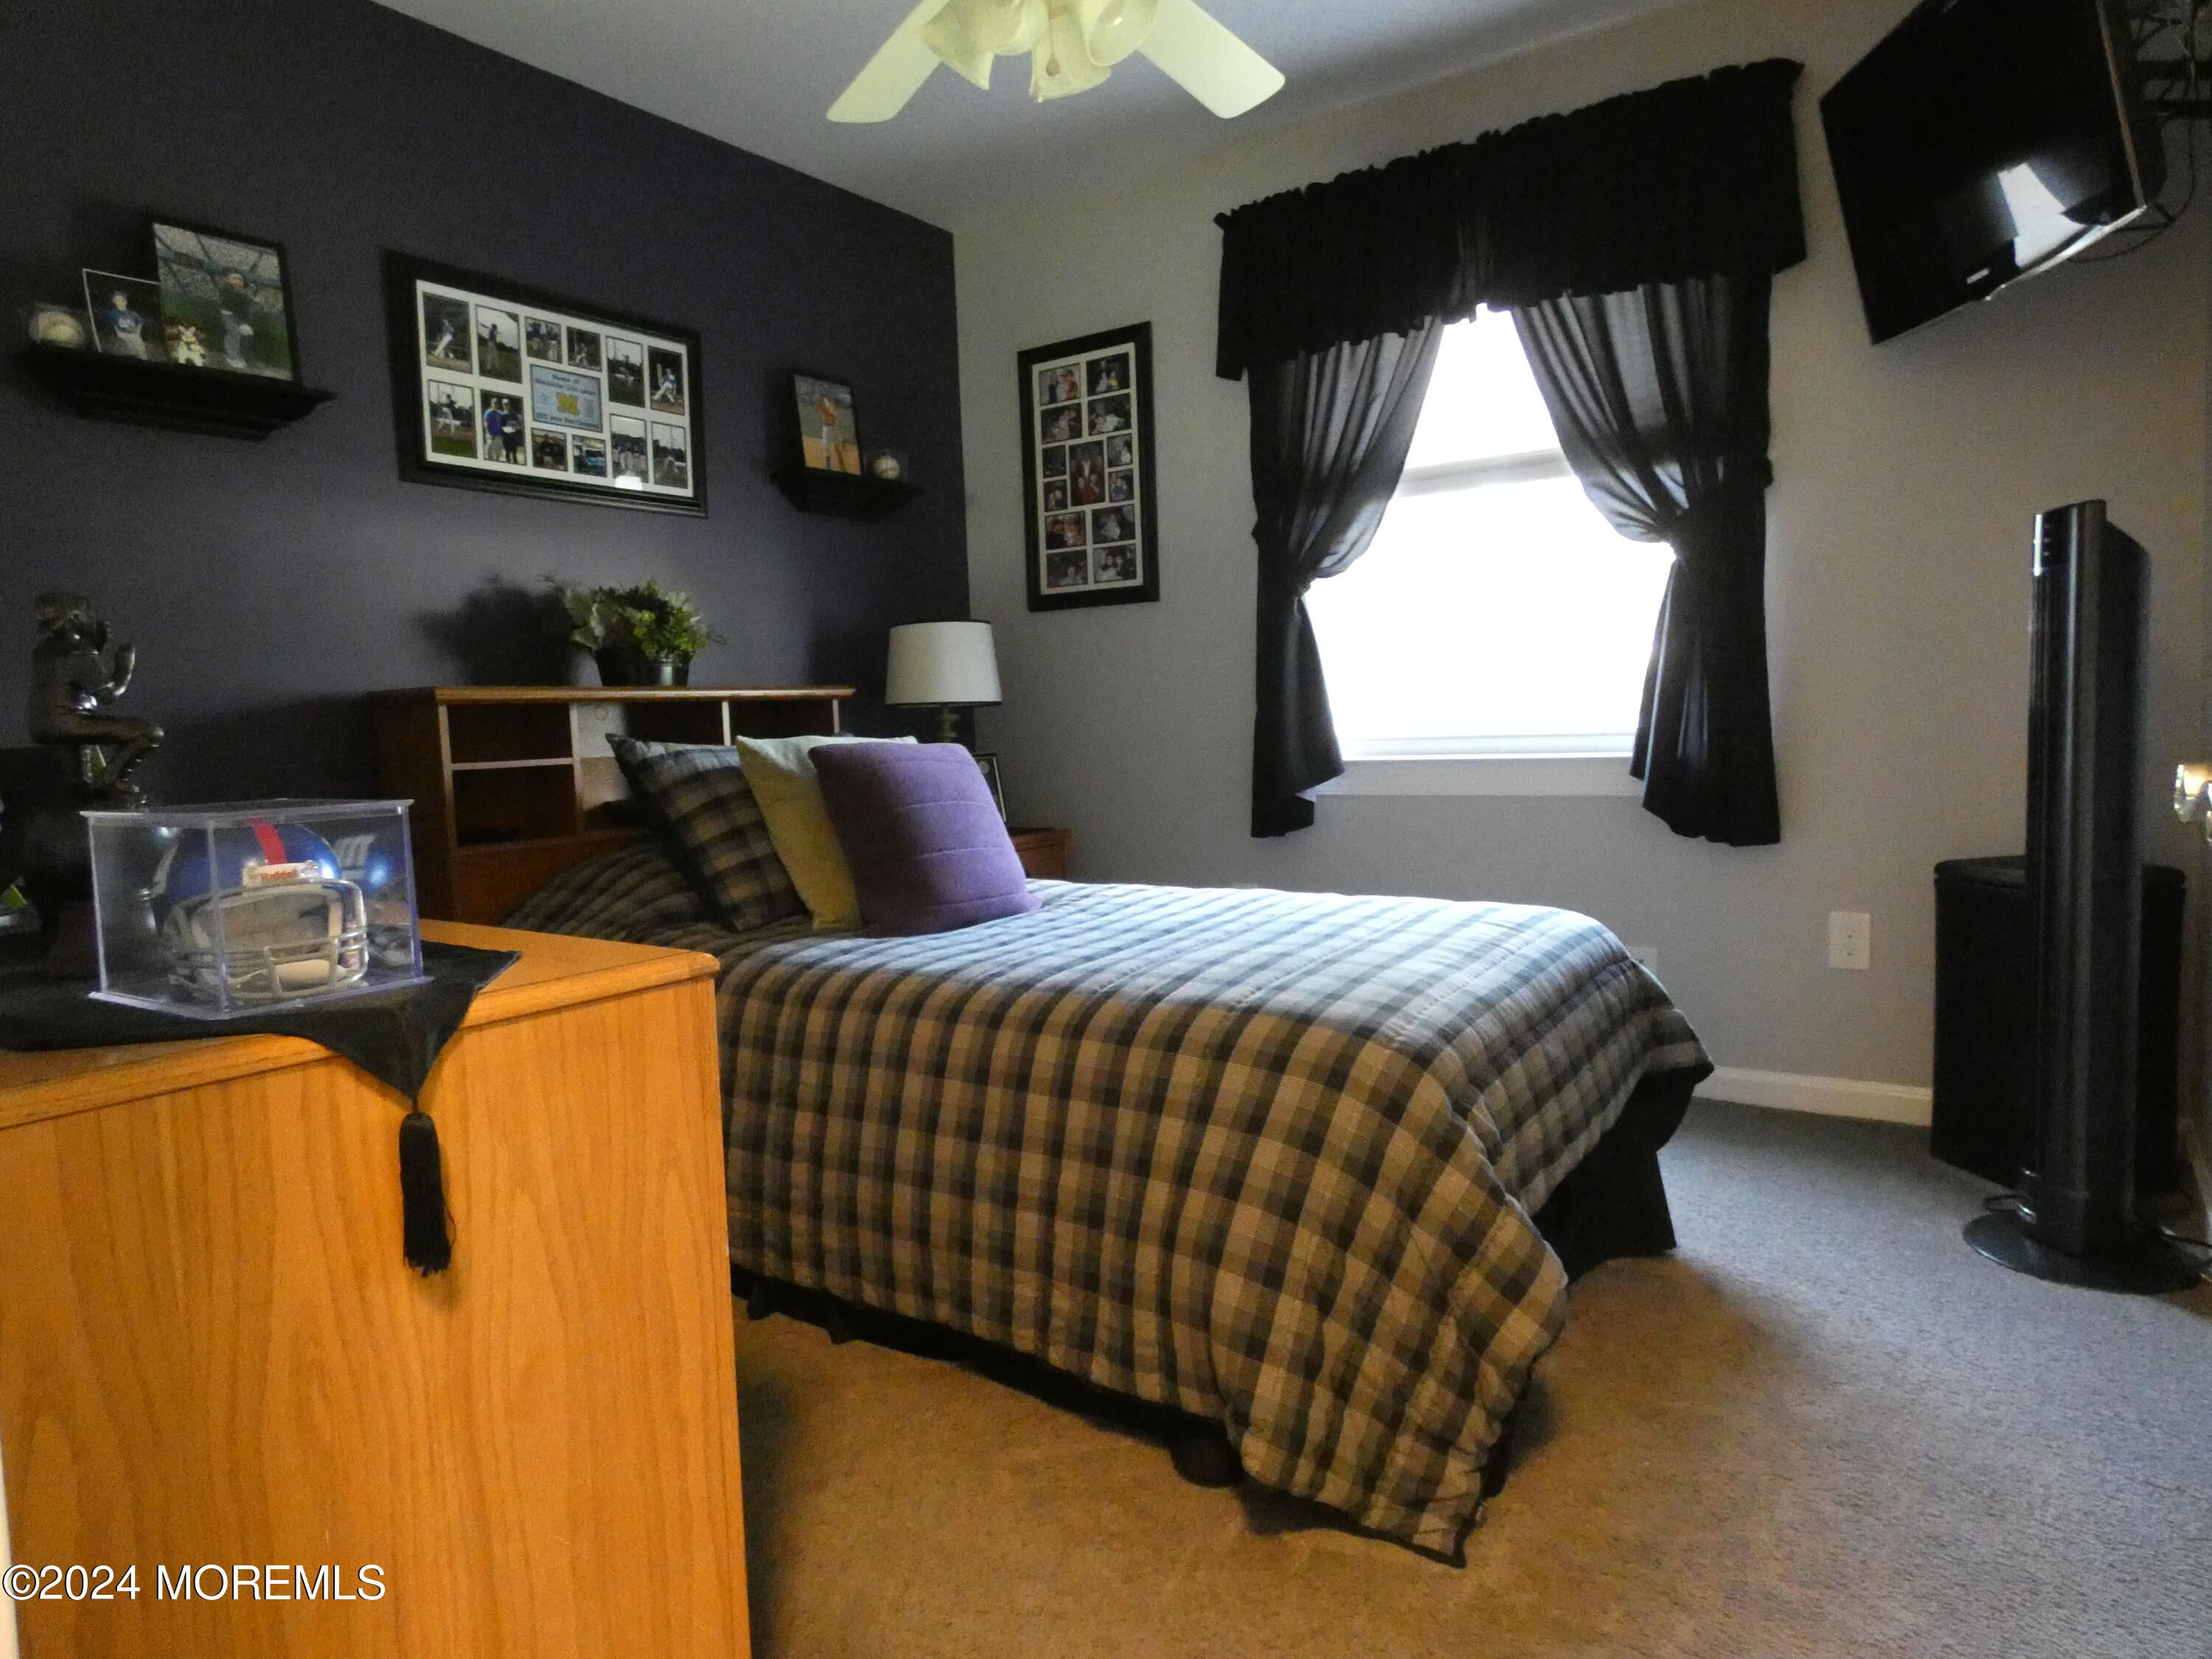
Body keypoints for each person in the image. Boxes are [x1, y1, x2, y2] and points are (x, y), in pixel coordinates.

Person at [216, 269, 257, 369]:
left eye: (240, 279)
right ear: (228, 280)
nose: (238, 281)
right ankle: (232, 357)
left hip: (240, 318)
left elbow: (246, 308)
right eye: (234, 279)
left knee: (246, 334)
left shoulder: (243, 293)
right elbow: (234, 301)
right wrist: (249, 299)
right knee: (234, 333)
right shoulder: (227, 291)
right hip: (228, 316)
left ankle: (240, 357)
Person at [103, 290, 149, 358]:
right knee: (129, 352)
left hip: (134, 335)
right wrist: (118, 332)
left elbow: (140, 322)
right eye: (116, 300)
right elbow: (113, 323)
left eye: (120, 300)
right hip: (124, 335)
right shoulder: (113, 313)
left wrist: (138, 331)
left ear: (125, 302)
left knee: (141, 352)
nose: (117, 302)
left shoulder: (132, 314)